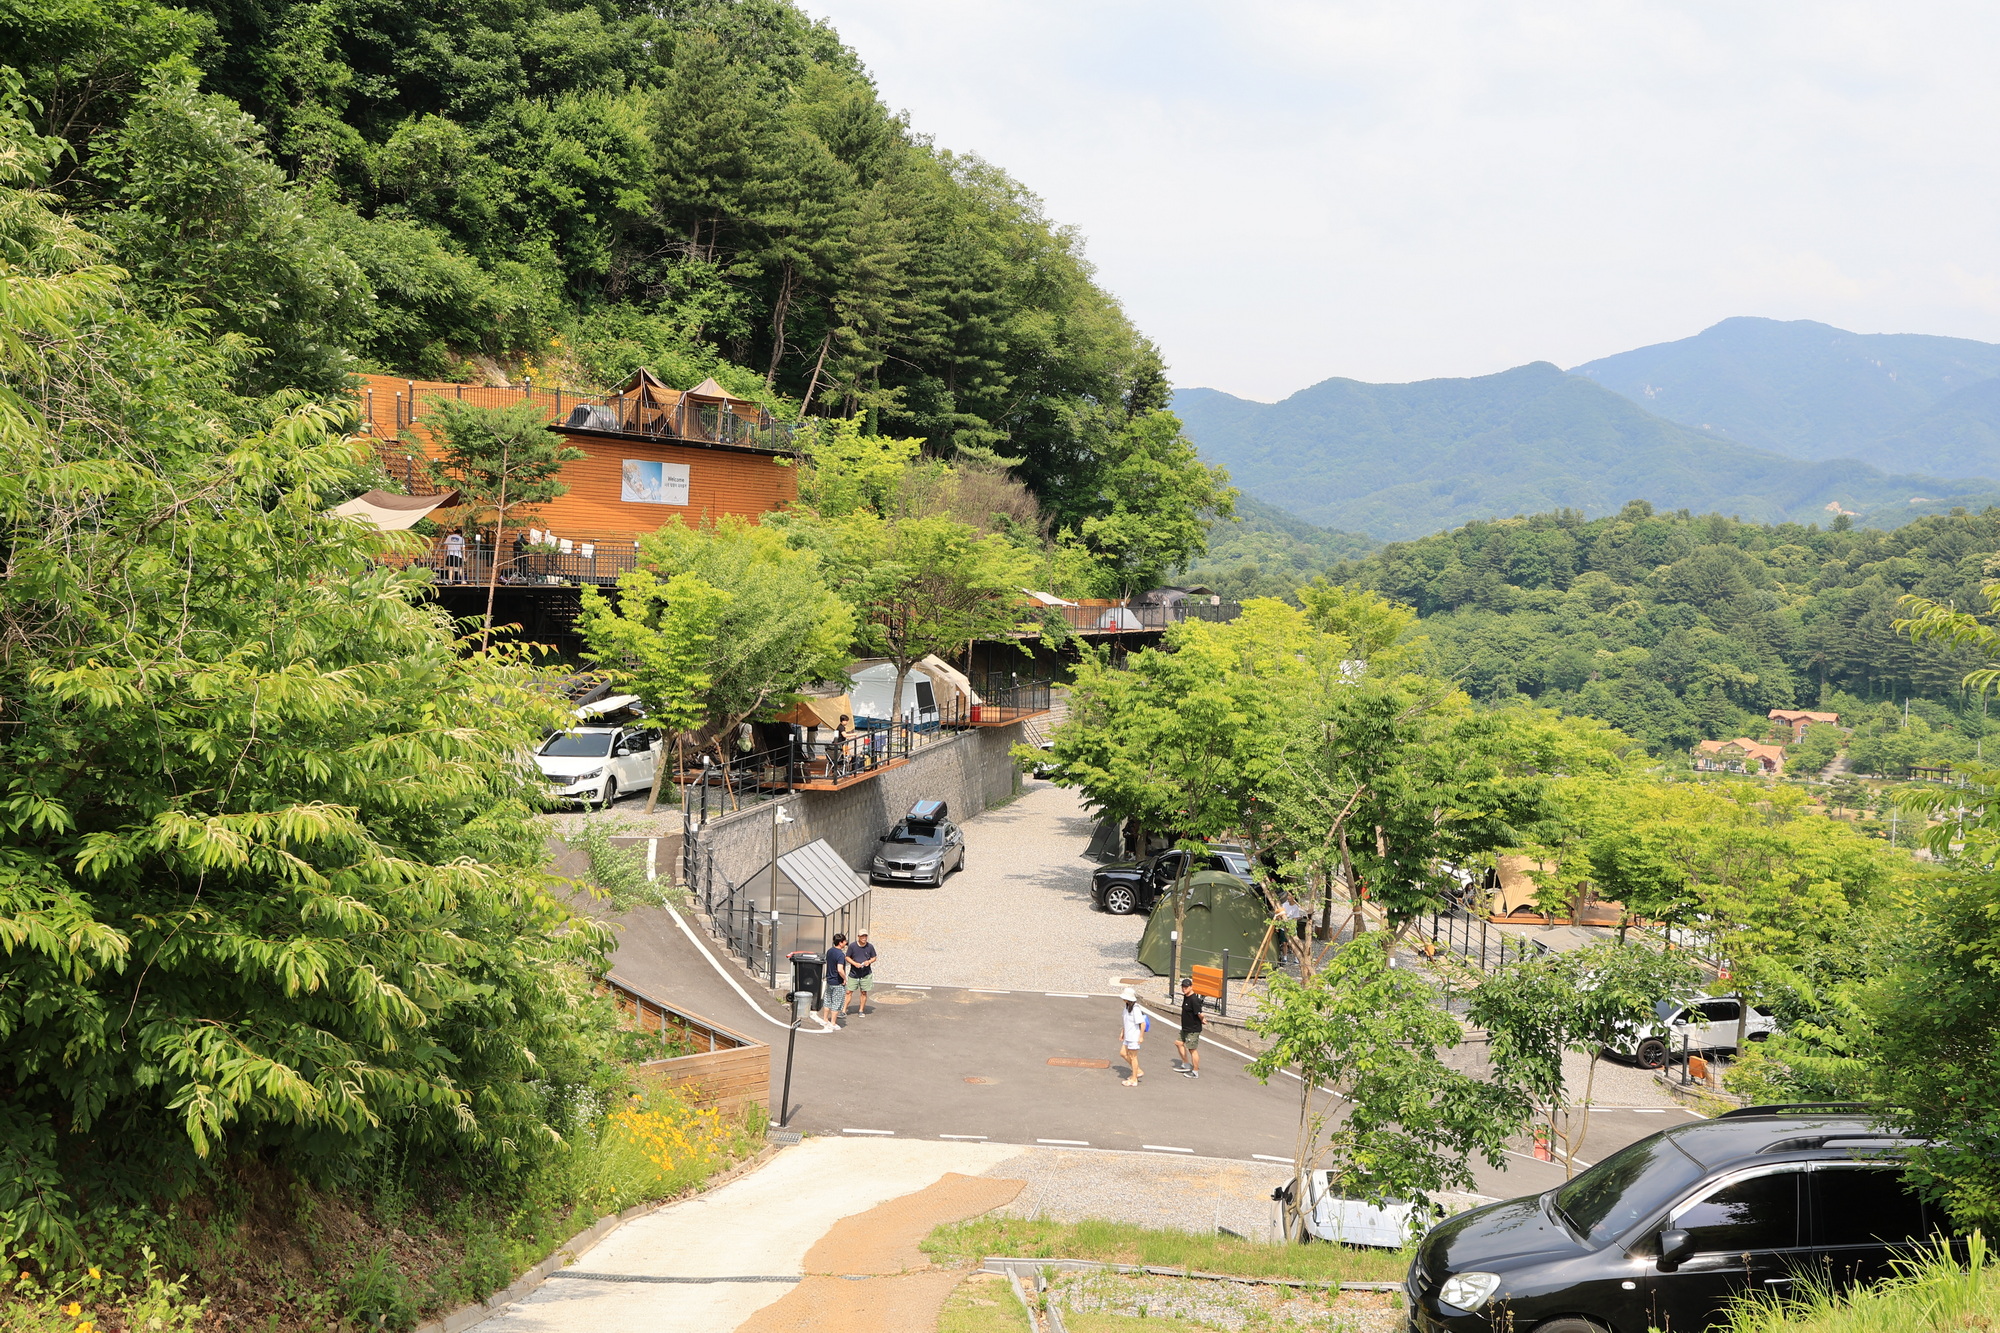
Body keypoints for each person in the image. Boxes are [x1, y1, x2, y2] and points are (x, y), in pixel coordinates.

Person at [1174, 976, 1204, 1078]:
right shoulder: (1186, 997)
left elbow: (1200, 1013)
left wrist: (1203, 1019)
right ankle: (1186, 1064)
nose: (1184, 989)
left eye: (1186, 987)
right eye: (1183, 987)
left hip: (1193, 1029)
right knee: (1178, 1043)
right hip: (1185, 1028)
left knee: (1192, 1049)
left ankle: (1195, 1071)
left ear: (1191, 987)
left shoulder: (1194, 1000)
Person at [843, 930, 877, 1017]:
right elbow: (847, 957)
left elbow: (874, 957)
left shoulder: (870, 947)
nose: (864, 938)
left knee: (864, 992)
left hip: (866, 973)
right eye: (862, 936)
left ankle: (861, 1010)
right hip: (854, 973)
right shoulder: (852, 946)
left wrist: (868, 962)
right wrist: (854, 963)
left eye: (865, 936)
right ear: (858, 936)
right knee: (848, 991)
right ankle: (844, 1010)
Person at [1117, 987, 1147, 1087]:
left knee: (1133, 1057)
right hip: (1128, 1036)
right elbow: (1126, 1022)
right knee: (1123, 1053)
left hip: (1134, 1036)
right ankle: (1137, 1071)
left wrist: (1141, 1036)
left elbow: (1142, 1024)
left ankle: (1134, 1079)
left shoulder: (1135, 1009)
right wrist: (1123, 1032)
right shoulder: (1126, 1007)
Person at [822, 932, 849, 1026]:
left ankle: (825, 1019)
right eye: (844, 941)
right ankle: (833, 1023)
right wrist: (845, 978)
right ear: (840, 943)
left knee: (827, 1000)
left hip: (829, 980)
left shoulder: (829, 951)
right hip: (837, 982)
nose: (846, 943)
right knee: (836, 1003)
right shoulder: (841, 955)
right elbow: (840, 969)